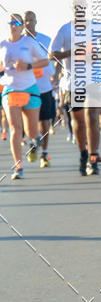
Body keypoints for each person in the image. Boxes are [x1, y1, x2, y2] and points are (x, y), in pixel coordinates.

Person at [50, 0, 101, 176]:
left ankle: (93, 156)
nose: (79, 9)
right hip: (73, 83)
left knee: (92, 118)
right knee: (79, 122)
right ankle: (83, 153)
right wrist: (71, 52)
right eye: (76, 7)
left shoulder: (96, 27)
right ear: (72, 9)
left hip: (93, 80)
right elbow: (52, 54)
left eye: (82, 6)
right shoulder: (65, 29)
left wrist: (96, 54)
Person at [0, 13, 48, 180]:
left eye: (17, 22)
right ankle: (18, 167)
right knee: (15, 128)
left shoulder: (29, 42)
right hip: (10, 89)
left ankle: (35, 142)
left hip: (30, 88)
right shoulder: (2, 45)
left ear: (22, 26)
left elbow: (45, 61)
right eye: (11, 22)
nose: (14, 25)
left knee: (31, 130)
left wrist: (27, 65)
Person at [23, 11, 56, 166]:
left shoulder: (45, 39)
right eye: (25, 20)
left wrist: (54, 75)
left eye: (31, 20)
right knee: (30, 122)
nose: (28, 23)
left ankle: (44, 153)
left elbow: (51, 61)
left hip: (44, 87)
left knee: (44, 122)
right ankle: (33, 143)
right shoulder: (19, 42)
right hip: (26, 87)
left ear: (36, 21)